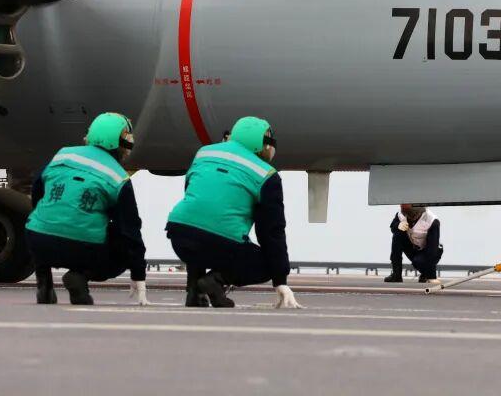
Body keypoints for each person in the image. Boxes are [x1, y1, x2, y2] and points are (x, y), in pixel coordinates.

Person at [166, 116, 301, 309]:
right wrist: (280, 279)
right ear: (261, 144)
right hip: (220, 241)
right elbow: (271, 232)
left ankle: (195, 291)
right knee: (268, 262)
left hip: (180, 235)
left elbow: (194, 198)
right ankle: (217, 280)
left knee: (198, 227)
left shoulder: (204, 153)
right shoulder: (266, 174)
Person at [26, 112, 148, 306]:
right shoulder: (118, 177)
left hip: (39, 242)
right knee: (122, 243)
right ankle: (80, 276)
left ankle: (44, 283)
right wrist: (138, 274)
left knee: (40, 220)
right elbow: (130, 230)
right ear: (122, 143)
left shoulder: (63, 154)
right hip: (83, 249)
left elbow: (37, 189)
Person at [383, 204, 443, 284]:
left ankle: (426, 274)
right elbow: (392, 226)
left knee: (418, 261)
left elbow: (432, 249)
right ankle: (396, 274)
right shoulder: (401, 215)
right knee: (397, 236)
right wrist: (398, 225)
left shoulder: (432, 221)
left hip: (428, 250)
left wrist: (432, 276)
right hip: (413, 247)